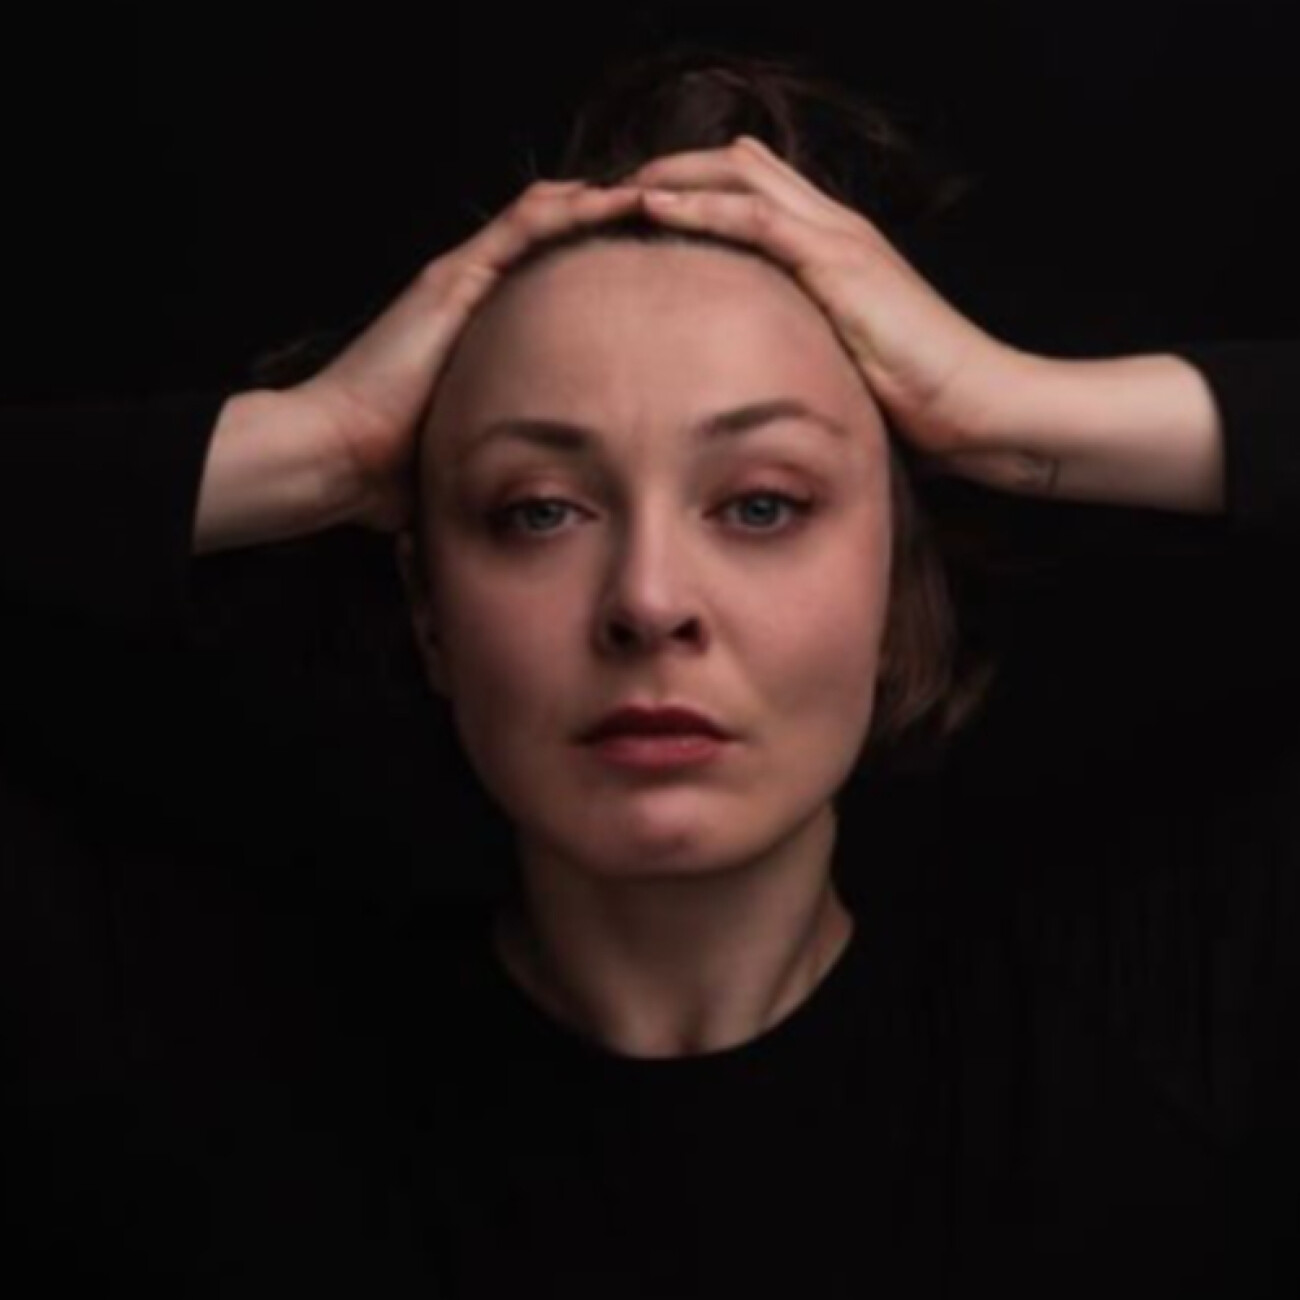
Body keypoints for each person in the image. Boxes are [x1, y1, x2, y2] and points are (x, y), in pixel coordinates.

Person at [3, 46, 1297, 1298]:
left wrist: (1008, 410)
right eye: (539, 511)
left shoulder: (1160, 1030)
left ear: (898, 595)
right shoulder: (175, 1062)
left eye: (762, 504)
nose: (648, 602)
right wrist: (318, 446)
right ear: (431, 610)